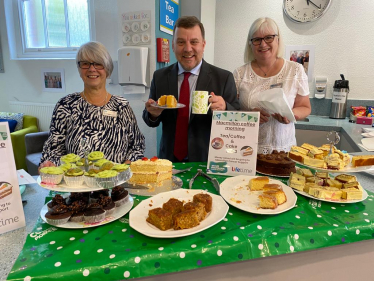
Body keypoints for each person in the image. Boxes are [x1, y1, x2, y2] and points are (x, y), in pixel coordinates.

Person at [142, 16, 239, 162]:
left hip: (207, 160)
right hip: (169, 160)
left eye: (194, 42)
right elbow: (150, 120)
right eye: (181, 42)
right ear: (173, 45)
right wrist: (153, 114)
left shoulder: (223, 78)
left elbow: (237, 119)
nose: (188, 49)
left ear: (203, 45)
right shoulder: (160, 76)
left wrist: (225, 108)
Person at [39, 41, 145, 169]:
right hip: (78, 183)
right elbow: (53, 148)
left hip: (116, 184)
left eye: (98, 64)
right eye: (85, 64)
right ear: (79, 69)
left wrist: (123, 170)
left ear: (107, 68)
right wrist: (49, 163)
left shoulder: (121, 106)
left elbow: (137, 145)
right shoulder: (66, 105)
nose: (92, 69)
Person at [233, 17, 311, 154]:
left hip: (283, 151)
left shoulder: (295, 70)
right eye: (256, 39)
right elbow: (229, 113)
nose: (263, 44)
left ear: (278, 40)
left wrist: (292, 115)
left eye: (269, 37)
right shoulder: (240, 74)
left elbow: (305, 107)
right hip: (246, 152)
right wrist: (249, 117)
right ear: (250, 44)